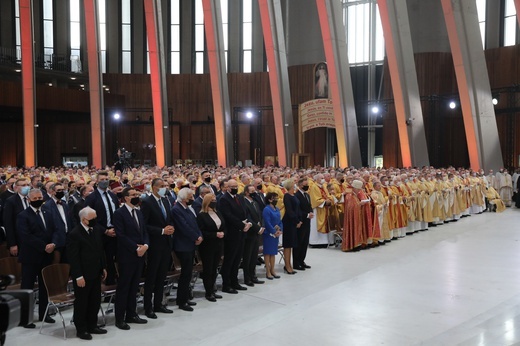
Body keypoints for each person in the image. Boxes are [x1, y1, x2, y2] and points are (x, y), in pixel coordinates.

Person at [17, 188, 61, 328]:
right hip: (31, 256)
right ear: (29, 200)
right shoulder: (23, 215)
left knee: (45, 287)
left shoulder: (47, 212)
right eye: (35, 199)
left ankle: (44, 313)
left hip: (46, 255)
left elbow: (55, 229)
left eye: (39, 198)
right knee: (27, 288)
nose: (38, 200)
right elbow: (26, 236)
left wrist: (53, 243)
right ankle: (26, 318)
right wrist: (44, 246)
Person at [67, 206, 107, 340]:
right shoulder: (75, 234)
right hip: (83, 275)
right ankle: (81, 328)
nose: (96, 220)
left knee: (95, 301)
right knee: (82, 302)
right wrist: (78, 276)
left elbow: (100, 250)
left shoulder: (95, 230)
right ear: (84, 220)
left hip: (95, 272)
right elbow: (74, 257)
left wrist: (103, 267)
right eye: (93, 218)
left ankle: (93, 325)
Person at [113, 187, 149, 330]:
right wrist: (136, 248)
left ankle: (132, 314)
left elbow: (144, 231)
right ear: (126, 197)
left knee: (134, 286)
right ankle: (120, 318)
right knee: (124, 287)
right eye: (134, 195)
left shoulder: (138, 212)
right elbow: (121, 235)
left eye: (137, 194)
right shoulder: (119, 213)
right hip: (127, 254)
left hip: (140, 254)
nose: (136, 197)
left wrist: (145, 245)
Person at [140, 178, 175, 319]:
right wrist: (161, 230)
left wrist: (171, 227)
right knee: (152, 277)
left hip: (166, 243)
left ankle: (159, 304)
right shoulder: (147, 203)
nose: (164, 188)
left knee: (162, 275)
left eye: (165, 186)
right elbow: (144, 225)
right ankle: (148, 307)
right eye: (161, 186)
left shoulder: (165, 200)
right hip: (154, 243)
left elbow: (169, 219)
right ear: (154, 188)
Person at [85, 171, 120, 285]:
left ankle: (112, 285)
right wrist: (105, 231)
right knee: (102, 261)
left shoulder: (113, 196)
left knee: (112, 260)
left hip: (114, 232)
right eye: (102, 179)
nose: (104, 181)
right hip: (100, 233)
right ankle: (102, 286)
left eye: (106, 179)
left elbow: (117, 213)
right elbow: (90, 219)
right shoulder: (91, 198)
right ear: (97, 182)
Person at [171, 188, 203, 311]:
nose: (192, 199)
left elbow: (194, 224)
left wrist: (199, 235)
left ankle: (186, 297)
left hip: (191, 243)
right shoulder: (176, 210)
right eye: (190, 197)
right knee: (185, 274)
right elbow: (183, 227)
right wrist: (196, 236)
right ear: (184, 198)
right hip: (182, 245)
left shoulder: (187, 209)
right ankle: (181, 301)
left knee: (189, 273)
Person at [218, 179, 251, 293]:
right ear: (227, 187)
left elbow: (245, 211)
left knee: (237, 259)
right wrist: (242, 224)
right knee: (230, 259)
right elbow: (228, 216)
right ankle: (226, 284)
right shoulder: (224, 199)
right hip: (231, 233)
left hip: (241, 232)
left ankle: (234, 281)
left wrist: (246, 223)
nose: (235, 188)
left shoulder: (240, 197)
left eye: (236, 186)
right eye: (232, 186)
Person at [196, 194, 225, 302]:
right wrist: (215, 234)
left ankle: (212, 289)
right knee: (208, 269)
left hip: (218, 244)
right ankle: (208, 292)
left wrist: (223, 233)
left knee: (214, 269)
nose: (214, 201)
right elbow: (202, 231)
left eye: (215, 200)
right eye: (212, 200)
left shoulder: (217, 212)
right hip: (207, 245)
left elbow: (223, 226)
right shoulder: (202, 215)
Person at [242, 184, 265, 286]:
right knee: (248, 257)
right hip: (250, 232)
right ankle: (247, 278)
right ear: (246, 192)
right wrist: (257, 227)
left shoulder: (255, 202)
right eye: (251, 191)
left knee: (254, 256)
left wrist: (262, 226)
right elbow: (247, 217)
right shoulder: (244, 203)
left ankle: (253, 276)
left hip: (257, 232)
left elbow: (260, 215)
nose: (254, 192)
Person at [3, 178, 31, 256]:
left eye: (27, 185)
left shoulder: (32, 198)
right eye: (23, 185)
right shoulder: (11, 201)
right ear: (16, 187)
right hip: (19, 240)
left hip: (32, 238)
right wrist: (12, 244)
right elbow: (8, 223)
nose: (26, 187)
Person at [281, 179, 301, 274]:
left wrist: (299, 220)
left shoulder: (294, 195)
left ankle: (290, 264)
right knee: (288, 245)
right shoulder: (287, 196)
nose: (295, 185)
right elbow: (289, 211)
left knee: (292, 244)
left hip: (295, 221)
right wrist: (296, 221)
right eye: (293, 184)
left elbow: (297, 209)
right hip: (289, 222)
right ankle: (287, 265)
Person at [293, 178, 313, 270]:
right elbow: (297, 210)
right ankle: (296, 263)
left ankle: (302, 260)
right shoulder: (296, 195)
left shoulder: (307, 195)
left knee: (305, 242)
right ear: (300, 185)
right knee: (299, 242)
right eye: (305, 184)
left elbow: (309, 206)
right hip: (300, 221)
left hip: (307, 221)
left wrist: (311, 212)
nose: (307, 185)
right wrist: (307, 215)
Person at [262, 192, 282, 279]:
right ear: (269, 199)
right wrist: (273, 231)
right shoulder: (266, 209)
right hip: (268, 233)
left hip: (276, 233)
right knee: (267, 253)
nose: (276, 200)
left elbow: (280, 220)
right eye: (275, 198)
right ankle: (268, 271)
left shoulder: (277, 209)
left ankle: (273, 269)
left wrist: (280, 230)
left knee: (273, 253)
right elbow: (267, 222)